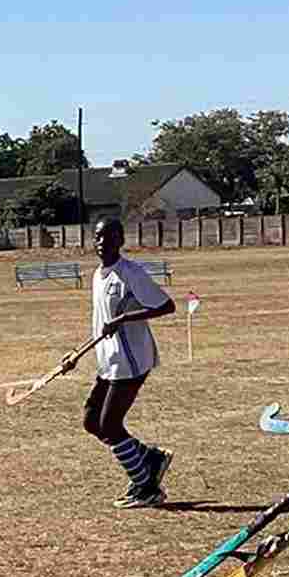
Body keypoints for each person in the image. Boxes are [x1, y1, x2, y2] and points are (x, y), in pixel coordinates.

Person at [82, 216, 177, 506]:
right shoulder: (98, 275)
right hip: (109, 361)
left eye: (109, 237)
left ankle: (147, 488)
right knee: (92, 421)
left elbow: (166, 306)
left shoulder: (131, 273)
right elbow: (101, 321)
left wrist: (124, 318)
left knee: (110, 425)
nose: (102, 242)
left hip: (131, 360)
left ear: (121, 240)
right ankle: (150, 458)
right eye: (98, 237)